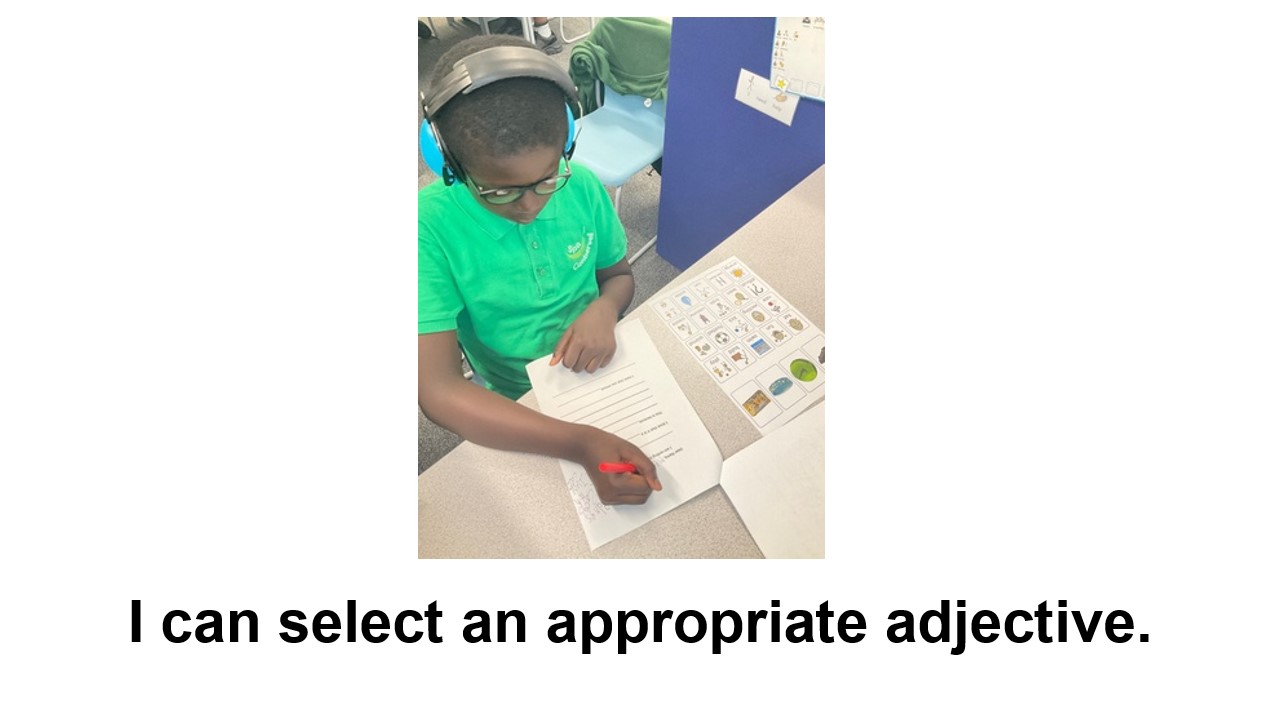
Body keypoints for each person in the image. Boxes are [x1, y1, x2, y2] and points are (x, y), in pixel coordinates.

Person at [418, 34, 661, 506]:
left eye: (547, 178)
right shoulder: (426, 229)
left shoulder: (582, 185)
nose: (530, 204)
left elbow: (618, 277)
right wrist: (580, 443)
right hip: (516, 401)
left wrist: (605, 309)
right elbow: (437, 390)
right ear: (448, 163)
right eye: (498, 191)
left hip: (606, 369)